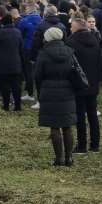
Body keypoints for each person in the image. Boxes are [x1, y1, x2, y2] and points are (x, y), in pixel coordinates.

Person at [34, 27, 77, 166]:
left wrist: (40, 90)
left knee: (54, 127)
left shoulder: (43, 54)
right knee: (67, 126)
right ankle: (69, 157)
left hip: (49, 90)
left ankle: (59, 158)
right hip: (67, 90)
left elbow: (37, 75)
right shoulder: (70, 52)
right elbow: (75, 71)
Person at [66, 17, 102, 154]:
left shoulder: (71, 42)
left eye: (71, 26)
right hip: (93, 82)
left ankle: (82, 145)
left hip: (79, 82)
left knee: (80, 115)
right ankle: (95, 144)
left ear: (76, 28)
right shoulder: (94, 39)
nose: (70, 28)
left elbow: (70, 64)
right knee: (92, 113)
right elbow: (99, 61)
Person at [0, 14, 25, 111]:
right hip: (16, 62)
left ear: (3, 22)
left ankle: (6, 105)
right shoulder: (18, 32)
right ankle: (17, 106)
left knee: (4, 85)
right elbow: (21, 47)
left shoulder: (0, 33)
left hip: (3, 63)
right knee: (16, 85)